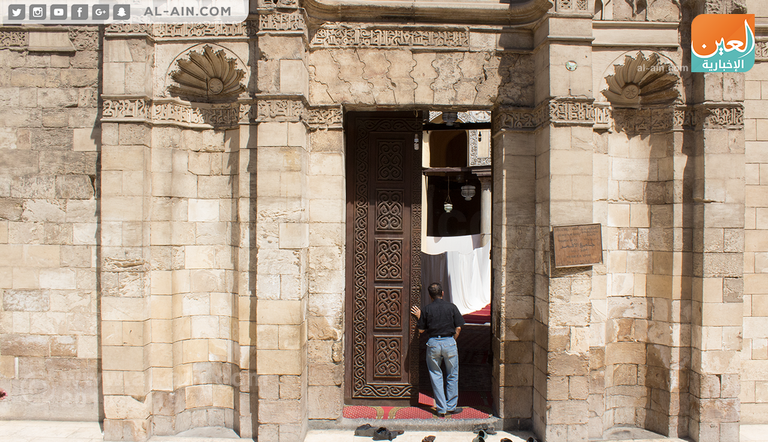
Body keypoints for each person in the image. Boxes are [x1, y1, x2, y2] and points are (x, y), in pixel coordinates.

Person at [410, 282, 465, 417]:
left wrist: (419, 316)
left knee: (436, 375)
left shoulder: (427, 309)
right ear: (442, 293)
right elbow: (458, 327)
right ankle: (451, 406)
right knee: (452, 374)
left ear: (430, 296)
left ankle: (441, 408)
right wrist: (453, 340)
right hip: (449, 342)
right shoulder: (452, 307)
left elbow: (421, 330)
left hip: (433, 343)